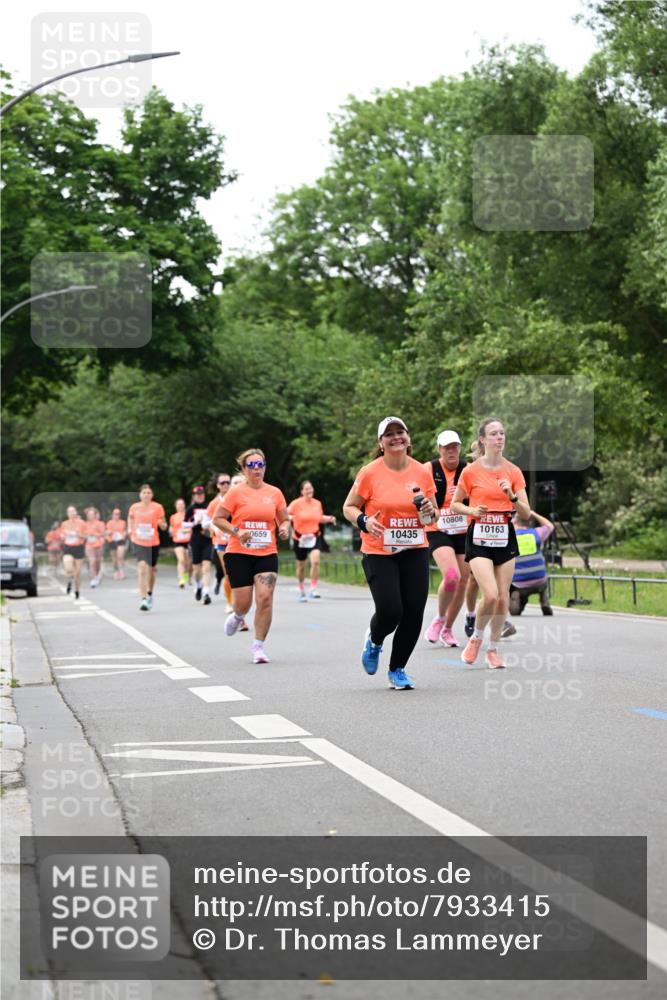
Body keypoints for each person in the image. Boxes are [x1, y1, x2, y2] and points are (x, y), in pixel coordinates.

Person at [343, 416, 437, 691]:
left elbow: (432, 513)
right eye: (389, 434)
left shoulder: (422, 471)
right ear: (380, 443)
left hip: (415, 548)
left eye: (401, 432)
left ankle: (397, 669)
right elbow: (349, 507)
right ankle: (374, 640)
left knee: (414, 612)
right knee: (390, 609)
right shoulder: (370, 472)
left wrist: (431, 512)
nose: (396, 437)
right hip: (379, 550)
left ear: (409, 438)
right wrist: (364, 521)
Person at [450, 417, 530, 669]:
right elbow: (455, 504)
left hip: (504, 534)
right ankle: (476, 638)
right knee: (491, 595)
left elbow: (526, 513)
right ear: (483, 440)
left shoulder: (513, 471)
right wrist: (472, 511)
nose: (499, 437)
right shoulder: (470, 471)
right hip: (479, 537)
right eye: (494, 434)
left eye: (502, 433)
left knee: (503, 599)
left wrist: (512, 496)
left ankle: (493, 648)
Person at [213, 449, 290, 664]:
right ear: (244, 469)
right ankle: (238, 616)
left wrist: (284, 528)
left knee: (265, 598)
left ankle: (258, 646)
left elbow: (284, 519)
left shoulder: (274, 493)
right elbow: (218, 519)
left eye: (260, 464)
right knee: (243, 603)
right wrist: (237, 532)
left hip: (266, 552)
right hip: (239, 553)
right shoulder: (236, 492)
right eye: (251, 465)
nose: (256, 468)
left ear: (265, 466)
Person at [422, 430, 470, 648]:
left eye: (455, 447)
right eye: (446, 447)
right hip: (437, 528)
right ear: (439, 449)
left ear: (460, 448)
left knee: (463, 582)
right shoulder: (428, 469)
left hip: (463, 529)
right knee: (452, 576)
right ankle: (439, 619)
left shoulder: (468, 470)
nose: (451, 451)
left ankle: (448, 629)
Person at [287, 480, 337, 601]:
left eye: (311, 489)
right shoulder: (296, 504)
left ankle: (313, 588)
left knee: (315, 561)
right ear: (302, 491)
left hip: (314, 536)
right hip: (300, 538)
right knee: (301, 566)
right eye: (307, 489)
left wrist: (330, 518)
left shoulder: (317, 503)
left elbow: (319, 518)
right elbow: (284, 514)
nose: (309, 491)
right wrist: (291, 517)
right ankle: (301, 589)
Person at [127, 484, 167, 611]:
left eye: (149, 492)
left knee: (152, 570)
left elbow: (164, 525)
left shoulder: (158, 507)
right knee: (142, 569)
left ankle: (150, 593)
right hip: (138, 541)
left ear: (152, 495)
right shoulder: (134, 507)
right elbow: (130, 518)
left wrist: (162, 524)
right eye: (144, 492)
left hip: (153, 542)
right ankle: (143, 599)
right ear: (140, 495)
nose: (146, 495)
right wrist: (129, 528)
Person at [510, 509, 555, 615]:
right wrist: (532, 513)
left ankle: (515, 595)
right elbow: (550, 526)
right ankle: (544, 599)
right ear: (530, 522)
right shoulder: (536, 534)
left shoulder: (510, 536)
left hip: (518, 583)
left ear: (515, 521)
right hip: (539, 581)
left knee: (508, 581)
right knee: (544, 579)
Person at [207, 473, 234, 608]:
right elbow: (207, 522)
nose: (226, 485)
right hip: (221, 542)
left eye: (228, 482)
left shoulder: (237, 499)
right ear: (218, 485)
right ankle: (229, 603)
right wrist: (215, 528)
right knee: (228, 572)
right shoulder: (214, 503)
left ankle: (236, 599)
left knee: (238, 572)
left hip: (236, 541)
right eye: (222, 483)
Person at [184, 485, 214, 605]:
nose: (200, 496)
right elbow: (183, 524)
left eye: (201, 494)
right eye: (197, 494)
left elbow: (215, 519)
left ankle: (206, 593)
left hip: (207, 539)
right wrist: (194, 522)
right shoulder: (191, 509)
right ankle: (199, 585)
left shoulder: (209, 507)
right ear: (194, 496)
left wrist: (208, 523)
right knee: (197, 569)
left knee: (206, 567)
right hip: (195, 540)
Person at [59, 506, 86, 598]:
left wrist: (79, 535)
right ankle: (69, 580)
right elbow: (61, 535)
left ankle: (77, 590)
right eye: (70, 512)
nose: (72, 513)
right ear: (67, 514)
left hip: (79, 548)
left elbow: (86, 536)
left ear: (76, 512)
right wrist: (63, 536)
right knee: (68, 567)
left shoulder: (82, 523)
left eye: (73, 511)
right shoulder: (64, 524)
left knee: (77, 573)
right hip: (68, 548)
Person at [169, 498, 192, 588]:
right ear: (176, 506)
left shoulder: (188, 515)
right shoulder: (173, 517)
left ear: (184, 505)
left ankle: (187, 577)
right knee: (181, 560)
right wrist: (170, 531)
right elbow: (171, 527)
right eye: (178, 504)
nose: (180, 506)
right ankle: (181, 579)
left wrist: (185, 530)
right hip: (177, 541)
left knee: (188, 563)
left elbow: (192, 527)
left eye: (182, 504)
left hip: (188, 541)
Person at [84, 507, 106, 587]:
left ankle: (97, 576)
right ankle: (93, 579)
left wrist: (95, 534)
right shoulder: (85, 524)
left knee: (98, 562)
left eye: (91, 514)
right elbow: (82, 534)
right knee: (92, 561)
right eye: (88, 514)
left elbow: (103, 534)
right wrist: (86, 535)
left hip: (98, 545)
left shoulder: (100, 523)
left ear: (95, 515)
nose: (90, 516)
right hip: (89, 546)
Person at [105, 507, 127, 579]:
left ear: (120, 515)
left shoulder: (123, 522)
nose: (116, 515)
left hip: (120, 540)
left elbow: (124, 531)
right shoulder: (109, 523)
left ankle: (122, 571)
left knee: (120, 556)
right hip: (112, 541)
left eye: (118, 514)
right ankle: (116, 572)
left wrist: (124, 534)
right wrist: (109, 533)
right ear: (112, 515)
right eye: (115, 514)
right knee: (114, 559)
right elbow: (107, 532)